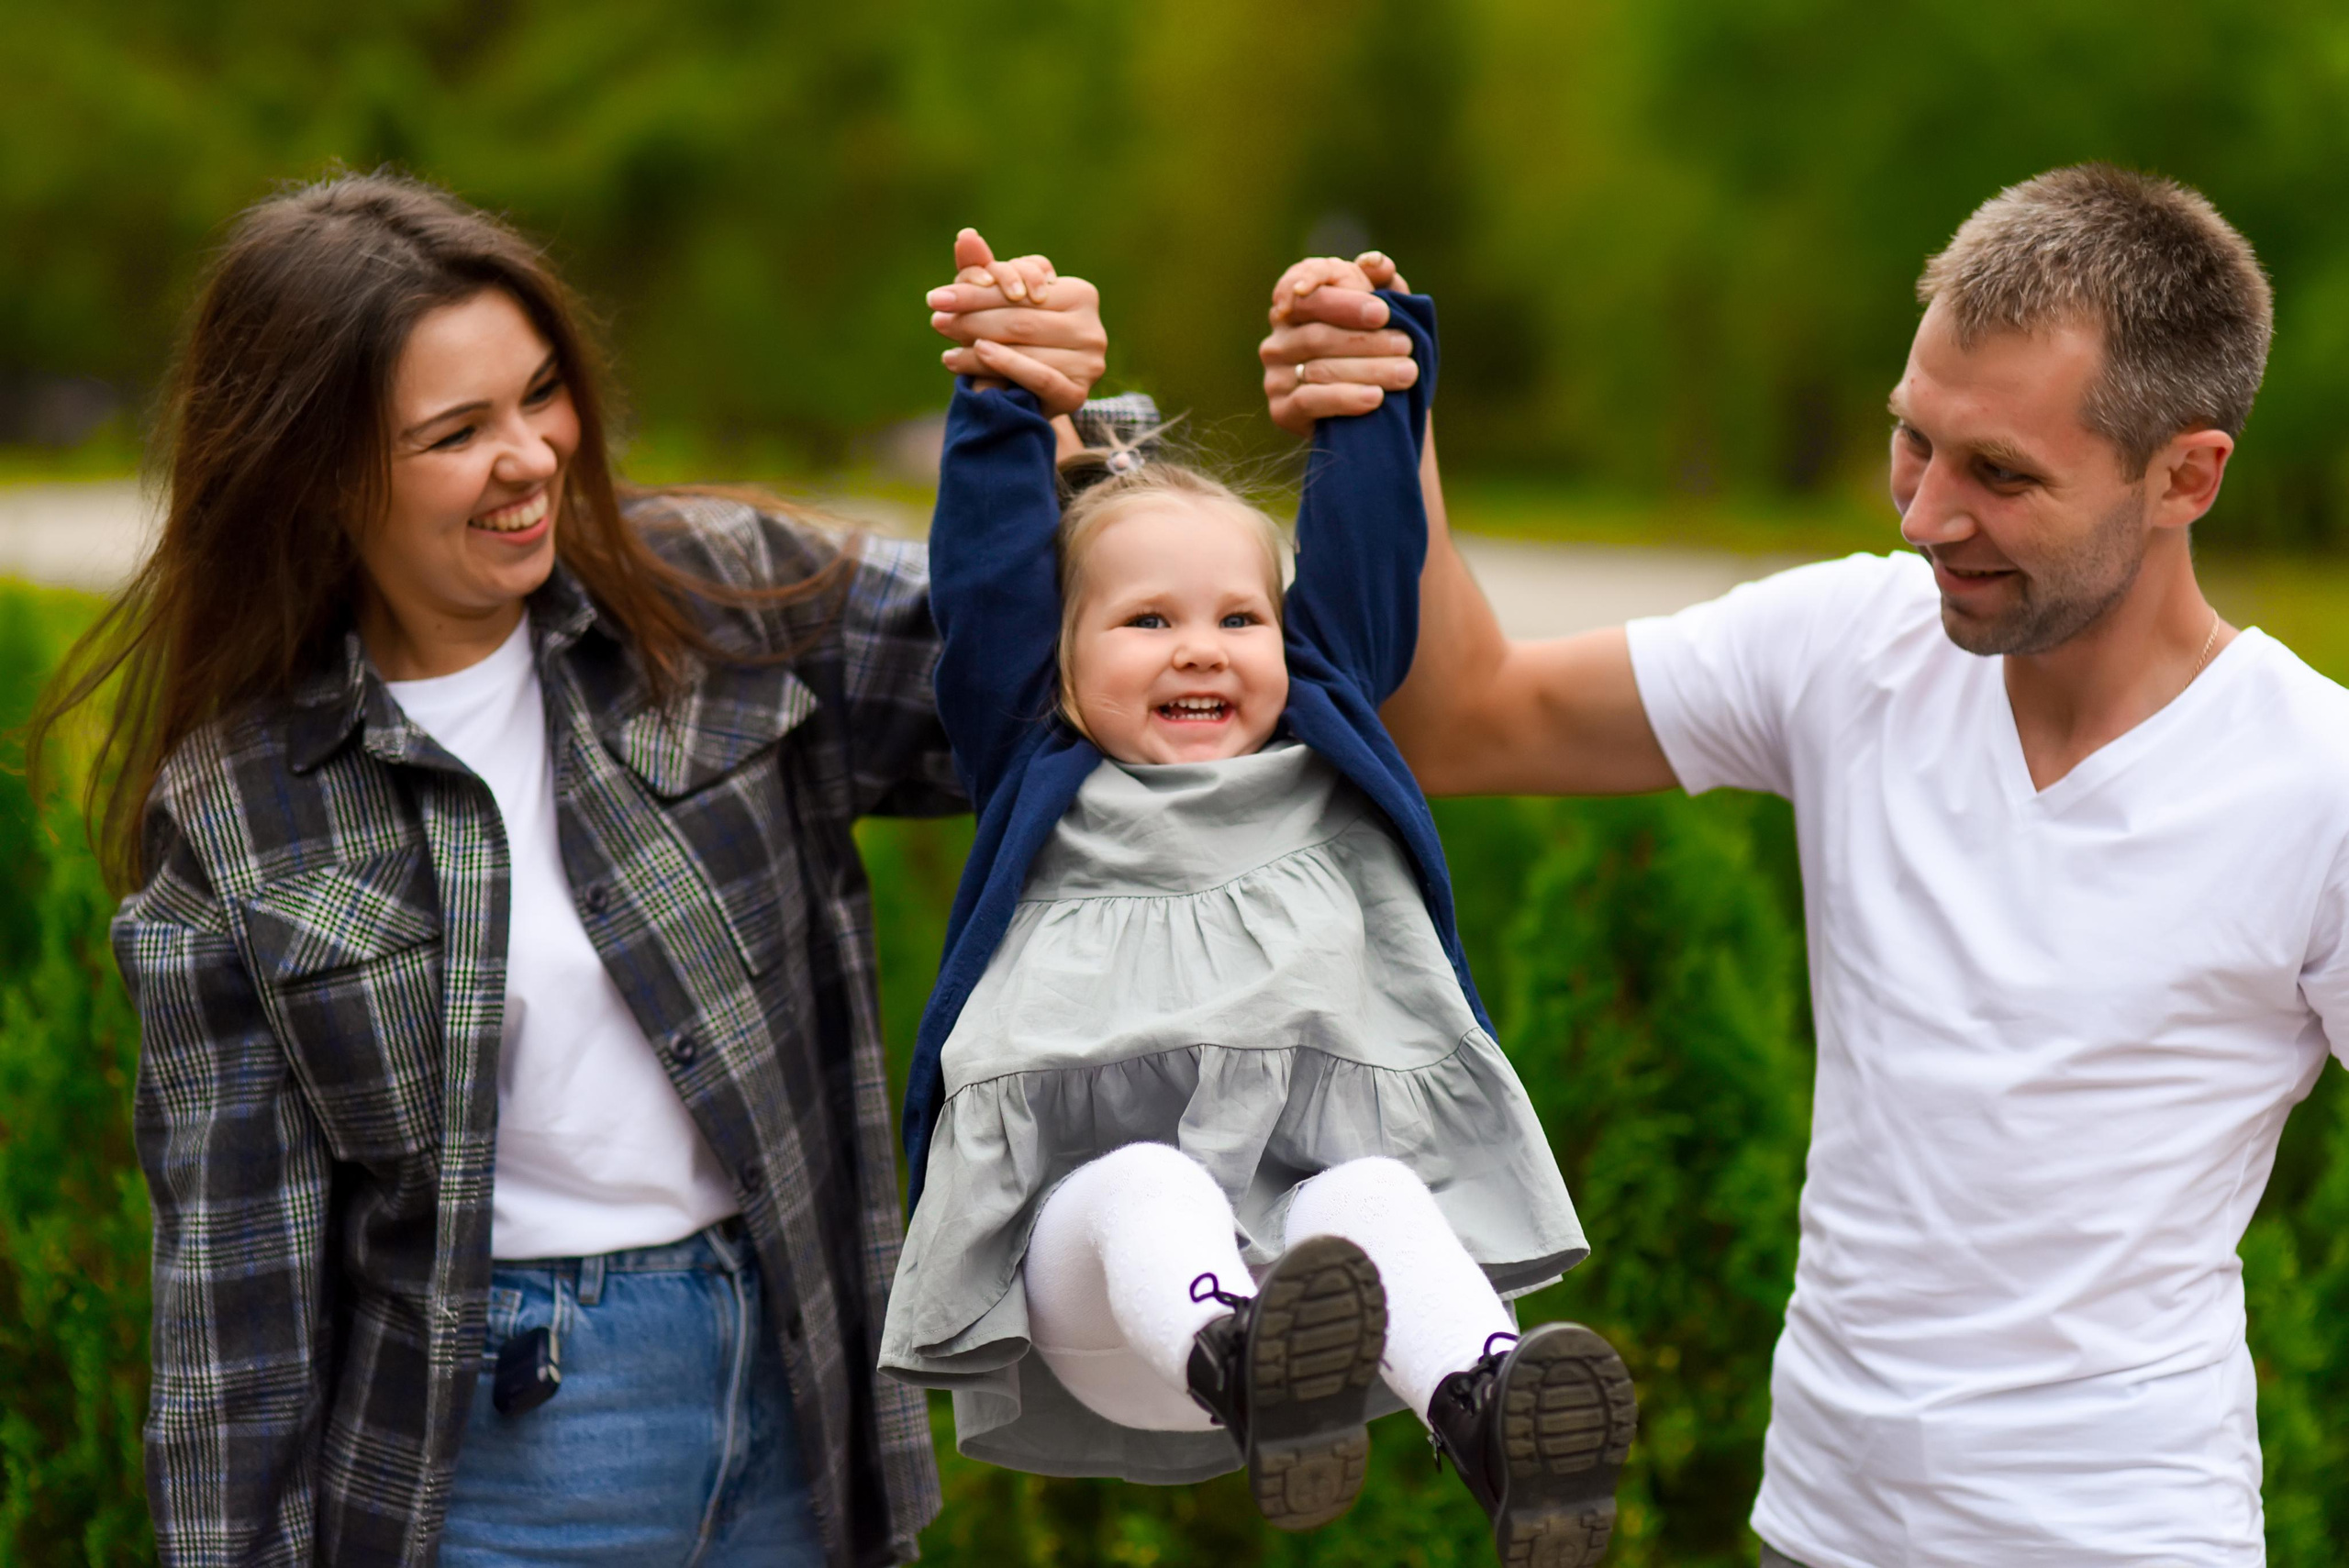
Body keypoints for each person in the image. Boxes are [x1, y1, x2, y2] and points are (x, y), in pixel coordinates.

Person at [1264, 164, 2349, 1565]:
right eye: (1918, 442)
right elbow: (1465, 719)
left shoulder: (2314, 779)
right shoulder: (1853, 646)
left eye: (2001, 474)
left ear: (2184, 476)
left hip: (2119, 1533)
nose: (1924, 515)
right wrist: (1386, 421)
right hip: (1818, 1524)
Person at [31, 172, 1093, 1568]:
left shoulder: (711, 600)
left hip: (797, 1383)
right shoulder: (243, 812)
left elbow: (1059, 682)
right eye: (456, 431)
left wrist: (1056, 432)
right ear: (318, 472)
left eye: (541, 392)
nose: (531, 452)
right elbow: (238, 1309)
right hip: (503, 1452)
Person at [888, 235, 1637, 1564]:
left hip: (1322, 1295)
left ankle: (1498, 1411)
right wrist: (1004, 395)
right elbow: (993, 577)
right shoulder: (1039, 748)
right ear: (1059, 665)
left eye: (1240, 617)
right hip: (1111, 1295)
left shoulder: (1325, 732)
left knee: (1373, 1192)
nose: (1200, 646)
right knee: (1145, 1176)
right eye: (1146, 622)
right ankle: (1241, 1351)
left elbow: (1364, 554)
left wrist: (1373, 364)